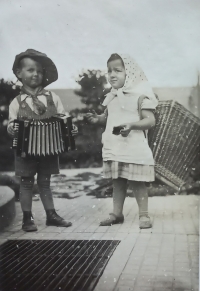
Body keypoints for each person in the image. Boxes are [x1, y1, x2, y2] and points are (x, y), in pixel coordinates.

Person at [7, 49, 78, 232]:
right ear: (19, 73)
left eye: (39, 71)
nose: (36, 74)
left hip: (49, 148)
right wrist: (11, 128)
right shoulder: (16, 102)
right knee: (26, 183)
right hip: (25, 149)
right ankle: (27, 218)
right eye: (30, 70)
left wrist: (70, 128)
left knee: (45, 182)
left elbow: (63, 118)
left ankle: (51, 215)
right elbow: (11, 124)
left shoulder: (52, 97)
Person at [86, 53, 158, 228]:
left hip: (134, 147)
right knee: (117, 181)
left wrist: (132, 125)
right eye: (109, 71)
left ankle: (144, 215)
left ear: (130, 73)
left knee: (138, 182)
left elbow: (150, 120)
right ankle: (116, 213)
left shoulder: (140, 95)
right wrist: (98, 119)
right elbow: (109, 117)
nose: (112, 74)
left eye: (117, 70)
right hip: (116, 146)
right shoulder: (112, 96)